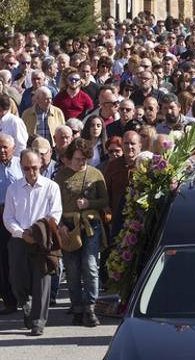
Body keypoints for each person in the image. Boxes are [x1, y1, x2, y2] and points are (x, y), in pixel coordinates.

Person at [3, 149, 62, 336]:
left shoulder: (51, 187)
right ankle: (26, 304)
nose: (31, 172)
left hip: (42, 240)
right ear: (21, 168)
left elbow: (55, 214)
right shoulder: (13, 189)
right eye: (26, 168)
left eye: (34, 168)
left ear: (41, 166)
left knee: (42, 282)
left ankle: (38, 321)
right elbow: (8, 217)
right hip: (19, 240)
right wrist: (21, 233)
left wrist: (38, 231)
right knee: (18, 280)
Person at [54, 138, 108, 327]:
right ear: (69, 158)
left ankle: (90, 307)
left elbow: (104, 200)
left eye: (84, 159)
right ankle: (77, 308)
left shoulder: (96, 174)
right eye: (77, 159)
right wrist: (60, 224)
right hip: (68, 226)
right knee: (72, 269)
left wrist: (89, 204)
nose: (80, 163)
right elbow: (53, 204)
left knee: (90, 265)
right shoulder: (61, 176)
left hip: (90, 225)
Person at [0, 135, 21, 315]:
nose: (2, 151)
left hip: (18, 217)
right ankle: (9, 301)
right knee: (3, 261)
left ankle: (24, 296)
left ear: (13, 148)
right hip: (0, 217)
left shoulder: (21, 165)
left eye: (5, 147)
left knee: (18, 259)